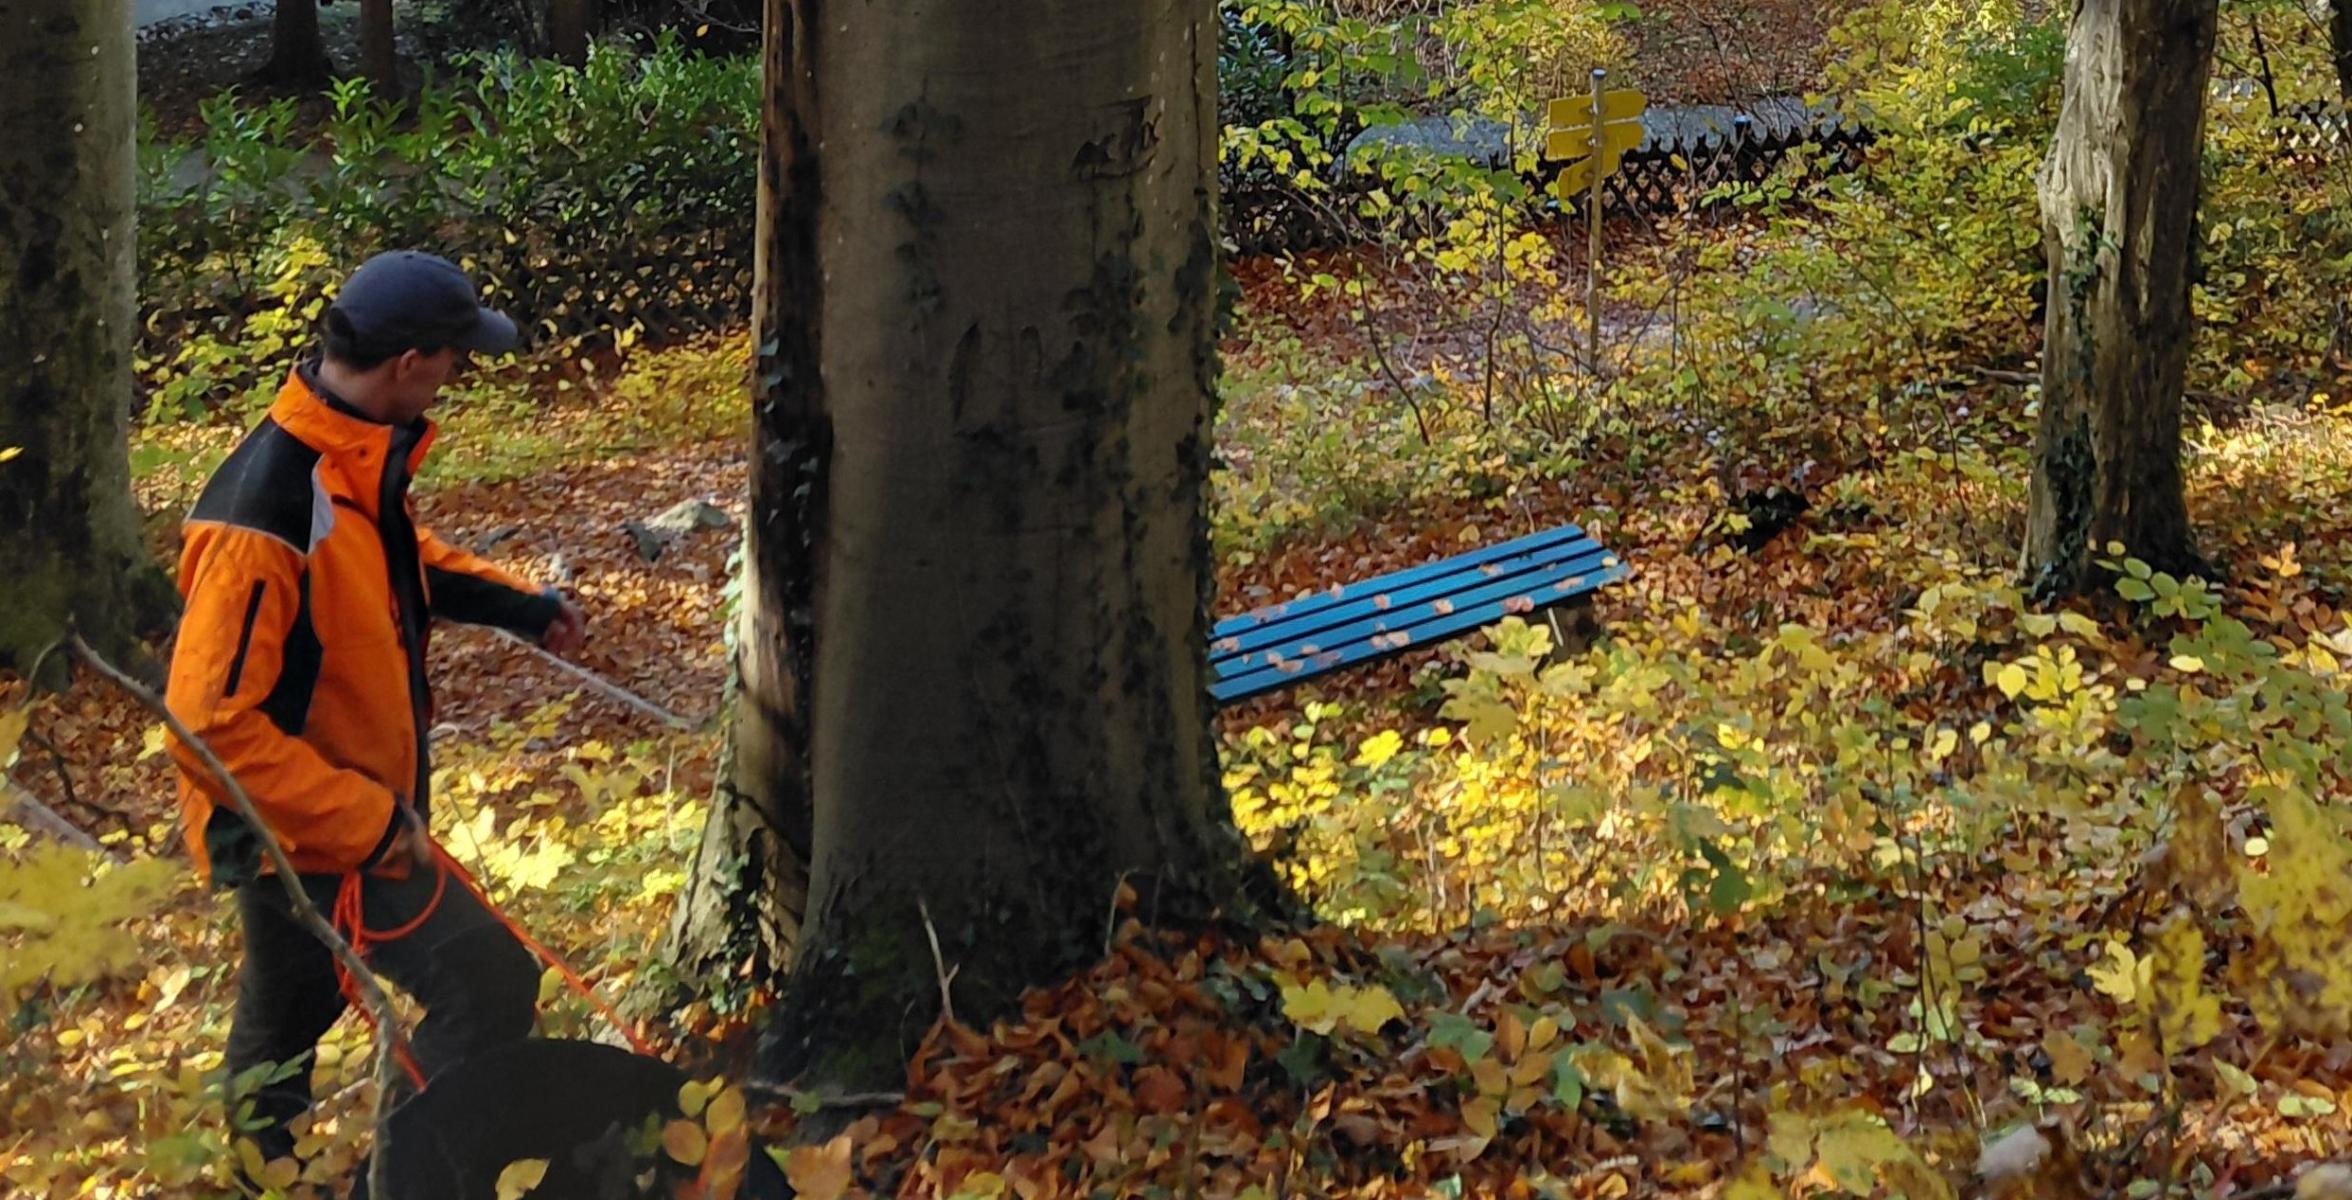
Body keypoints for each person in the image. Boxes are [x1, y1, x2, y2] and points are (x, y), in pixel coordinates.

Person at [164, 250, 587, 1174]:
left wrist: (524, 605)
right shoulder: (265, 509)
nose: (454, 376)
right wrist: (370, 824)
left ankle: (259, 1179)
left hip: (339, 813)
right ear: (410, 364)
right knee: (486, 980)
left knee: (287, 1017)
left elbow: (399, 556)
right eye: (452, 359)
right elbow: (205, 724)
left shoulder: (341, 460)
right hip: (301, 826)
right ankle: (405, 1181)